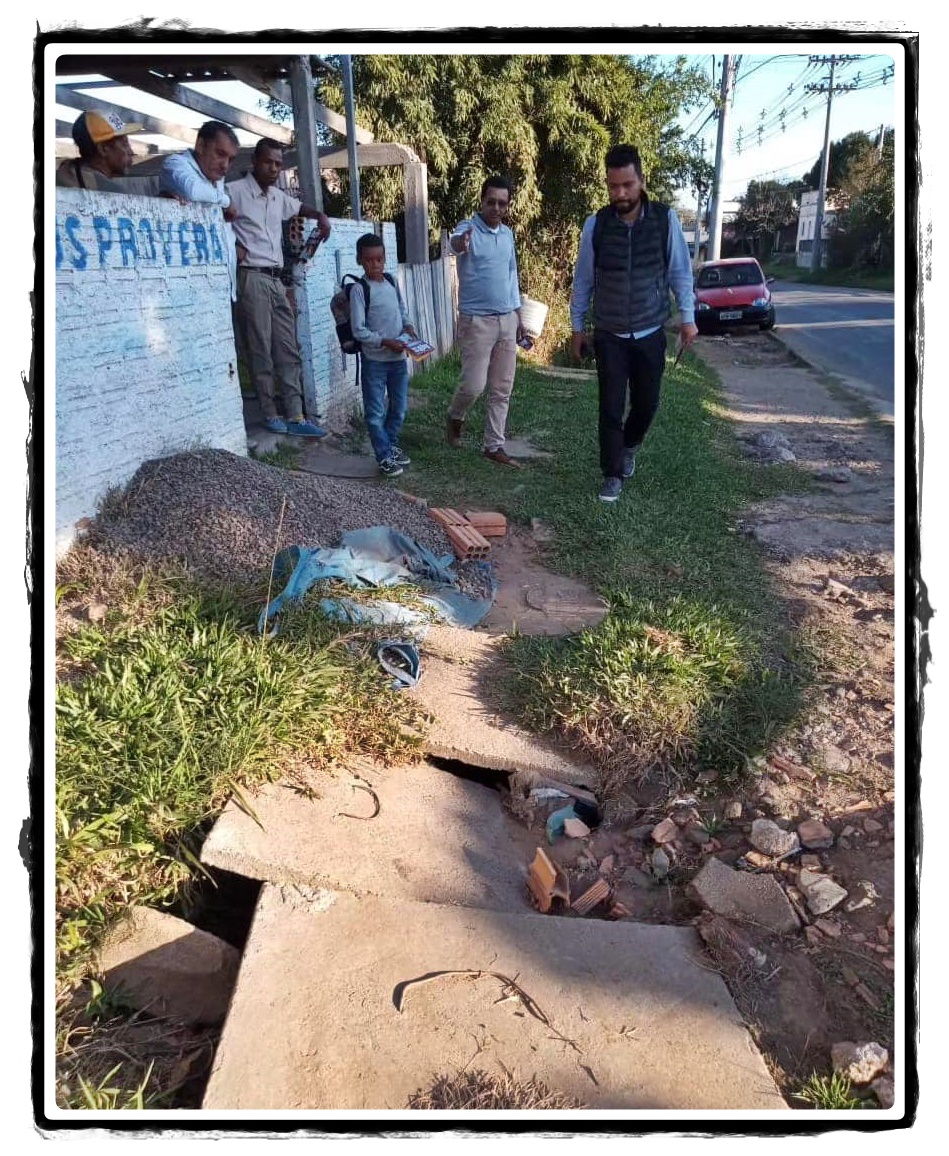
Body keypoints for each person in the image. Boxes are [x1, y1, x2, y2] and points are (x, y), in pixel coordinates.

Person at [570, 144, 698, 502]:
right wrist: (577, 328)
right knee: (610, 405)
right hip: (609, 332)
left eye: (627, 185)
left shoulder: (664, 220)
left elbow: (680, 274)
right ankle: (612, 473)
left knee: (646, 404)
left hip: (649, 330)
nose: (620, 193)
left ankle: (629, 446)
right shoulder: (596, 226)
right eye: (613, 186)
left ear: (642, 181)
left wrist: (688, 319)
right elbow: (583, 281)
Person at [228, 138, 332, 437]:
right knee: (259, 347)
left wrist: (321, 216)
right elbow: (213, 219)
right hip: (251, 277)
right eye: (268, 162)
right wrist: (232, 244)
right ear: (255, 161)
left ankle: (296, 416)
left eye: (278, 163)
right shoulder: (233, 193)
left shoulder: (277, 197)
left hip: (276, 278)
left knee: (287, 346)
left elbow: (301, 207)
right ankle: (270, 414)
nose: (274, 168)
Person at [445, 176, 529, 468]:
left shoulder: (507, 235)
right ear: (481, 200)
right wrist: (461, 241)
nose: (496, 208)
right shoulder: (467, 228)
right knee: (474, 385)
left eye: (502, 203)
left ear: (508, 205)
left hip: (507, 319)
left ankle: (494, 446)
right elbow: (455, 244)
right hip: (476, 320)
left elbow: (511, 275)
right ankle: (455, 416)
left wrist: (518, 316)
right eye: (490, 201)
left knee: (501, 388)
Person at [349, 233, 418, 478]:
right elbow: (358, 330)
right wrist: (384, 341)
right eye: (369, 260)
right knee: (375, 412)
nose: (375, 264)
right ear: (360, 260)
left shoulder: (390, 281)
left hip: (398, 361)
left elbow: (402, 309)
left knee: (399, 408)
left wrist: (408, 328)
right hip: (375, 362)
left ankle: (390, 446)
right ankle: (383, 456)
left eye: (379, 259)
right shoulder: (360, 290)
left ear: (385, 258)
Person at [159, 120, 240, 303]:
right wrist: (227, 202)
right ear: (201, 145)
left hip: (224, 288)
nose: (225, 165)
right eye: (220, 154)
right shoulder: (176, 164)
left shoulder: (216, 179)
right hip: (190, 289)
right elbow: (193, 191)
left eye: (230, 159)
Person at [56, 110, 161, 194]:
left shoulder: (65, 174)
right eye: (125, 144)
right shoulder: (112, 194)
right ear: (103, 149)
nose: (131, 152)